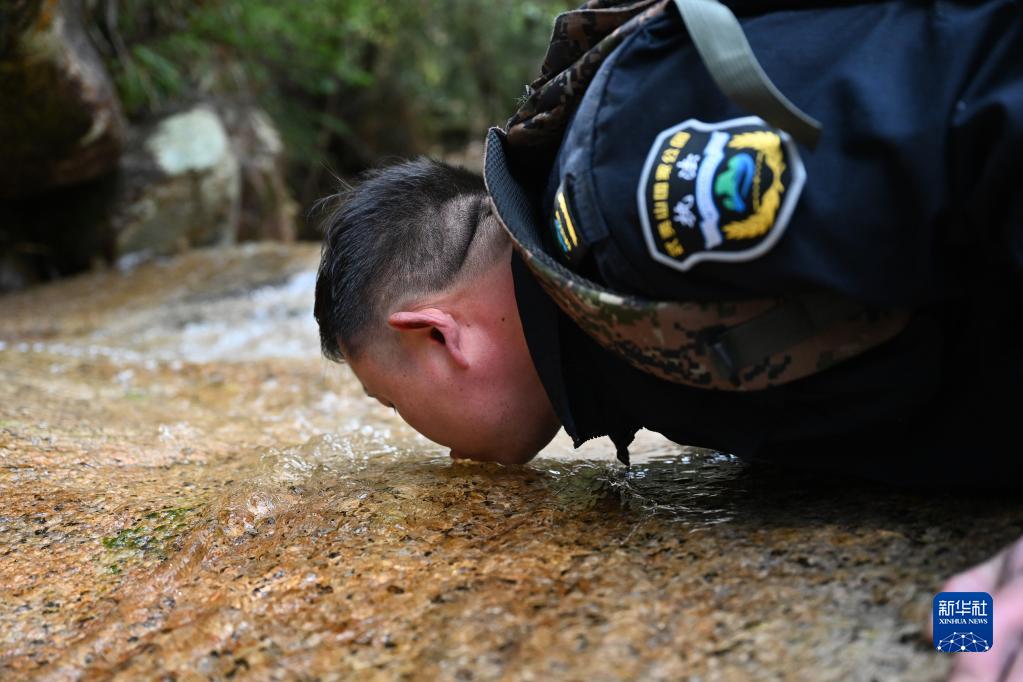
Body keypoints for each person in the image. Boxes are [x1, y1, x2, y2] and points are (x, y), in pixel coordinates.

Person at [313, 0, 1021, 675]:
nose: (434, 445)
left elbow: (991, 94)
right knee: (955, 632)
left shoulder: (636, 202)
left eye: (392, 404)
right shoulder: (610, 324)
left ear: (437, 336)